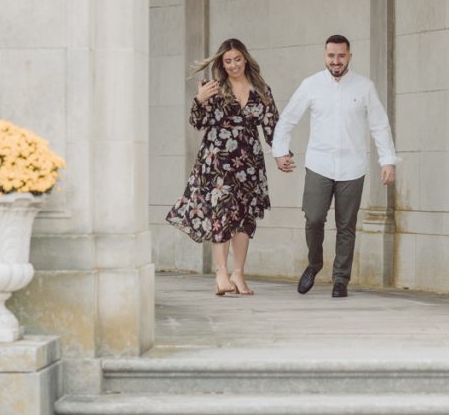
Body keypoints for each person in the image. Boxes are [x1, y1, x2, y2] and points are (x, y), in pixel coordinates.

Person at [272, 34, 398, 298]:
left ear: (349, 56)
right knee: (314, 218)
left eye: (341, 55)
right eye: (331, 55)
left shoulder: (364, 87)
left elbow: (379, 124)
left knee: (346, 226)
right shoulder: (311, 85)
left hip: (353, 167)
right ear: (324, 56)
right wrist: (280, 151)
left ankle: (341, 280)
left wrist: (387, 161)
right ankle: (314, 264)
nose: (336, 60)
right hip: (319, 164)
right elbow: (288, 118)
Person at [165, 38, 283, 296]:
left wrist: (281, 154)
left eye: (237, 59)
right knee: (221, 215)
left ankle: (238, 274)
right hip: (218, 161)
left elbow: (273, 126)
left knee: (244, 217)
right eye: (228, 61)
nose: (233, 65)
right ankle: (221, 273)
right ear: (222, 63)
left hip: (249, 162)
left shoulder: (261, 89)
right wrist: (199, 100)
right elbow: (197, 122)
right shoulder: (214, 88)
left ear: (245, 59)